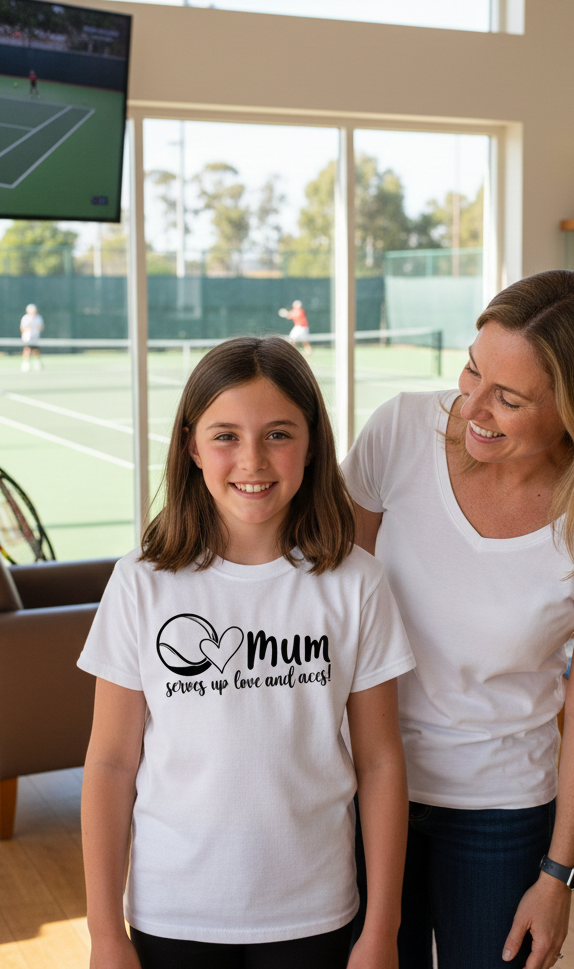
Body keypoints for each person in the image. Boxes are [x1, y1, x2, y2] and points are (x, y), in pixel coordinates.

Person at [343, 270, 574, 969]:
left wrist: (559, 876)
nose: (472, 407)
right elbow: (329, 601)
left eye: (509, 399)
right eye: (471, 370)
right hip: (361, 787)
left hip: (501, 813)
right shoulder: (400, 431)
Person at [79, 336, 415, 969]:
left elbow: (380, 762)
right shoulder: (140, 583)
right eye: (226, 436)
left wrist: (382, 929)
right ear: (191, 446)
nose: (252, 460)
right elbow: (111, 764)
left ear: (312, 444)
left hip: (315, 911)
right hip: (172, 912)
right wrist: (104, 933)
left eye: (278, 434)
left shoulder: (357, 583)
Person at [19, 303, 44, 371]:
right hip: (27, 338)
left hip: (35, 337)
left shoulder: (38, 318)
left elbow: (41, 328)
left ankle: (38, 362)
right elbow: (22, 328)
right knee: (27, 349)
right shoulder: (25, 318)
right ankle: (25, 363)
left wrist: (36, 328)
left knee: (36, 350)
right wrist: (28, 328)